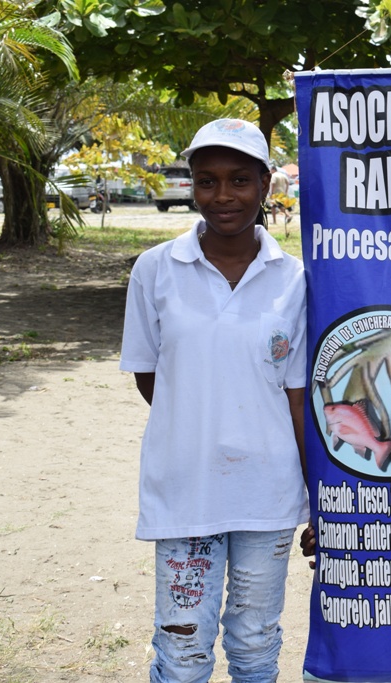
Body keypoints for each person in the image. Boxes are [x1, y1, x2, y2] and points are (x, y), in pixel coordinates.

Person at [120, 118, 309, 683]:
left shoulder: (294, 279)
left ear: (266, 184)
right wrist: (200, 420)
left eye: (239, 180)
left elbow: (299, 399)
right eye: (206, 181)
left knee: (255, 644)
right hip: (186, 490)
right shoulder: (155, 270)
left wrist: (318, 499)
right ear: (193, 186)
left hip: (268, 493)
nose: (222, 196)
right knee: (181, 652)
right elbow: (151, 377)